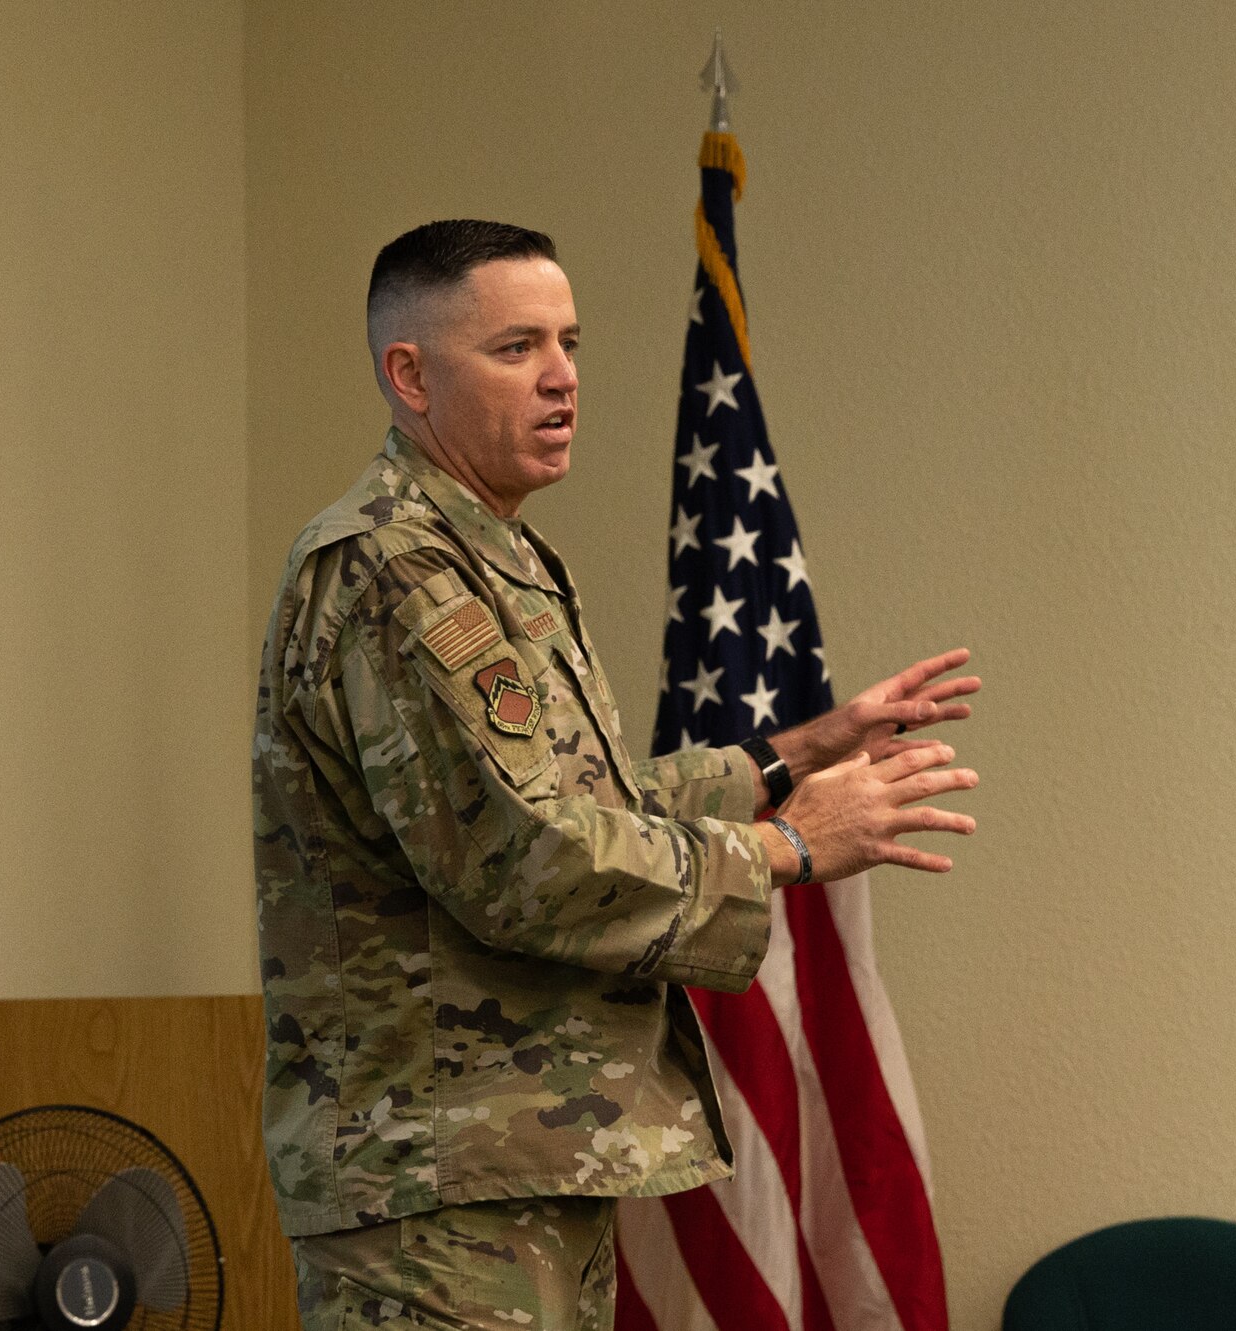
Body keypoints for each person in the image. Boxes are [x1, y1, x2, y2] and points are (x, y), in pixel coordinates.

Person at [253, 219, 980, 1331]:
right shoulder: (394, 569)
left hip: (517, 1164)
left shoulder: (496, 557)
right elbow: (527, 859)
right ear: (409, 374)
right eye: (514, 348)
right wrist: (784, 848)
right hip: (434, 1186)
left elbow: (578, 798)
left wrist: (791, 751)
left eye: (570, 342)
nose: (561, 378)